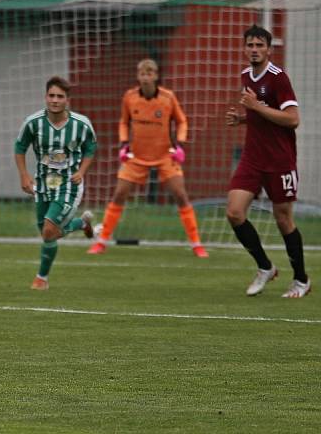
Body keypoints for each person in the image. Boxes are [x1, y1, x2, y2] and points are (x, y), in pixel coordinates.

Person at [87, 59, 208, 258]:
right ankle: (101, 242)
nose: (145, 77)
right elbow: (124, 122)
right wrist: (124, 144)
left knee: (180, 195)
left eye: (149, 73)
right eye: (142, 73)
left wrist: (179, 144)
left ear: (156, 76)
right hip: (137, 156)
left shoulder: (168, 98)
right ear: (138, 76)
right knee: (119, 194)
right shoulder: (130, 97)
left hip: (164, 155)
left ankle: (196, 244)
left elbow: (182, 121)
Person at [225, 25, 309, 298]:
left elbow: (292, 119)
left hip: (279, 160)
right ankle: (265, 267)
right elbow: (261, 113)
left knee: (283, 220)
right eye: (250, 45)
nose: (254, 49)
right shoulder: (246, 75)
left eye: (260, 45)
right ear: (244, 48)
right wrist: (244, 118)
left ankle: (300, 280)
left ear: (269, 49)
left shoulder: (278, 77)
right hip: (252, 158)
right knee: (234, 213)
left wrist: (256, 108)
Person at [14, 76, 97, 291]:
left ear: (68, 100)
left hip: (69, 185)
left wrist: (81, 171)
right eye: (51, 95)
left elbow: (90, 147)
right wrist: (24, 175)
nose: (55, 100)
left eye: (60, 96)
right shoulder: (33, 123)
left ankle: (41, 278)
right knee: (47, 233)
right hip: (42, 185)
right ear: (45, 97)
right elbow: (20, 148)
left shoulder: (81, 124)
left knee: (50, 230)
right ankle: (82, 224)